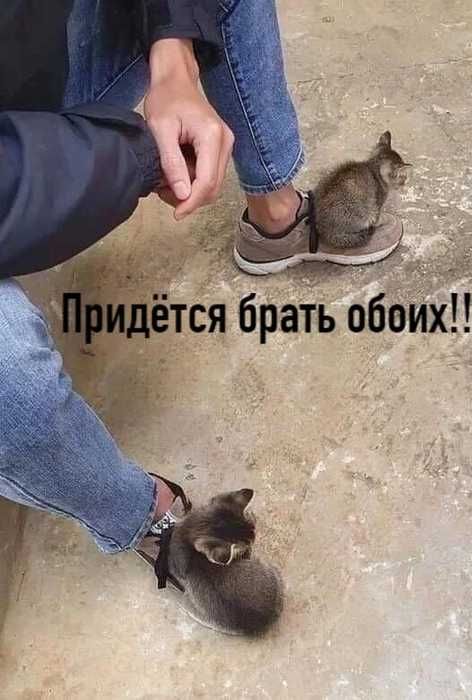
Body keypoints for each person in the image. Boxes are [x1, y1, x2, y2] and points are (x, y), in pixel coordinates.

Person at [0, 1, 401, 578]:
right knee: (15, 390)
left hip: (27, 85)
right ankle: (147, 517)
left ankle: (277, 218)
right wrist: (141, 155)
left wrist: (174, 50)